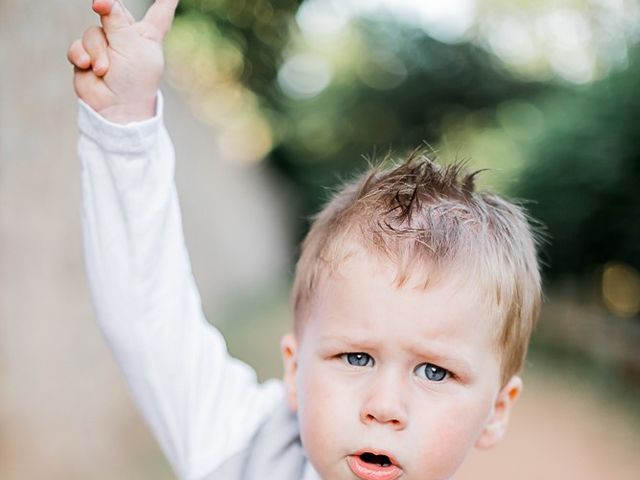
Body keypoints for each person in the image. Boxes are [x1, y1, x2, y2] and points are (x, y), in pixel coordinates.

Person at [68, 1, 542, 479]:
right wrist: (123, 127)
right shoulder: (242, 443)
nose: (384, 406)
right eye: (355, 357)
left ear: (497, 409)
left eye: (434, 372)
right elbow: (147, 314)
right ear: (295, 372)